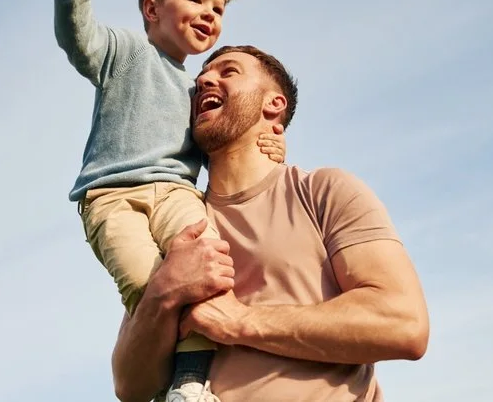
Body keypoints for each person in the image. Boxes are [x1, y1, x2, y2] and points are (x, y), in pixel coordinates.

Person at [50, 0, 287, 402]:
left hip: (178, 193)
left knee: (209, 269)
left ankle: (191, 382)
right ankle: (158, 378)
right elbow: (78, 38)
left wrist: (272, 141)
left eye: (218, 8)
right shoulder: (125, 50)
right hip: (112, 198)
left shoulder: (200, 90)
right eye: (197, 0)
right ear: (152, 10)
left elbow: (223, 145)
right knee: (148, 285)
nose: (210, 14)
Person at [111, 45, 430, 402]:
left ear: (273, 105)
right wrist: (164, 292)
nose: (204, 80)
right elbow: (130, 386)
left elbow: (404, 324)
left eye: (228, 71)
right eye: (201, 77)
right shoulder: (172, 219)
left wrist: (238, 321)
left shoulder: (323, 191)